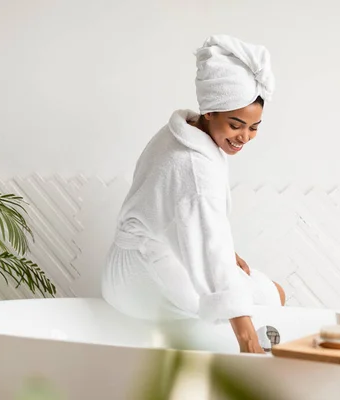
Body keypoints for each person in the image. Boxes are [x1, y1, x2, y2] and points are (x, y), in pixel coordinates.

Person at [101, 34, 285, 354]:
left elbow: (178, 216)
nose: (244, 137)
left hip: (124, 265)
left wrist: (226, 254)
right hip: (143, 282)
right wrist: (247, 342)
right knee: (274, 297)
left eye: (254, 127)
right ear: (210, 112)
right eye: (236, 125)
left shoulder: (180, 133)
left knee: (250, 289)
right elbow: (208, 243)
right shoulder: (194, 169)